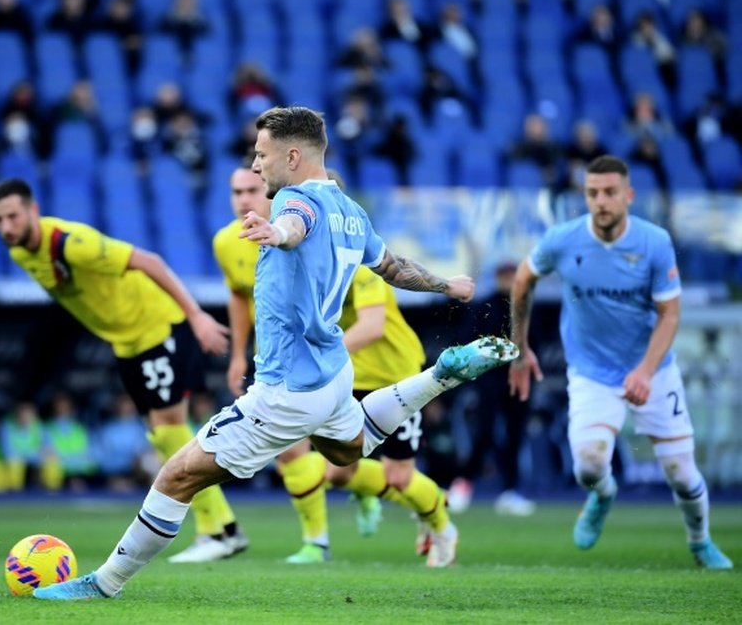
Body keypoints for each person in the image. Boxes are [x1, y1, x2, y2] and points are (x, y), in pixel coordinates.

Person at [33, 106, 517, 601]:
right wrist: (446, 284)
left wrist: (278, 233)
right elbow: (393, 266)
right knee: (347, 449)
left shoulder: (294, 200)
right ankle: (438, 375)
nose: (256, 164)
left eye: (262, 154)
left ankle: (105, 583)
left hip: (287, 387)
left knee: (178, 475)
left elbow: (296, 223)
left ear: (292, 154)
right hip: (333, 374)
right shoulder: (352, 211)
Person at [212, 162, 459, 566]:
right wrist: (243, 352)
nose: (243, 200)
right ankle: (319, 541)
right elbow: (243, 296)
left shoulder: (348, 245)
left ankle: (440, 521)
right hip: (335, 371)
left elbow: (374, 325)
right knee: (334, 468)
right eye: (235, 192)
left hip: (388, 368)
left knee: (395, 476)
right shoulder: (234, 242)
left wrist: (317, 349)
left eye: (250, 190)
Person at [0, 178, 247, 560]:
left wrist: (196, 317)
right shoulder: (20, 254)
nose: (6, 227)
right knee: (162, 435)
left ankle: (222, 530)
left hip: (159, 325)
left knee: (169, 427)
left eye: (12, 216)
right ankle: (218, 529)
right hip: (128, 342)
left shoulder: (71, 243)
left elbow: (150, 262)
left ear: (32, 210)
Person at [508, 155, 733, 570]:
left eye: (610, 193)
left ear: (628, 195)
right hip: (591, 370)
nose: (601, 202)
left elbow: (670, 314)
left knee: (682, 475)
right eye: (592, 193)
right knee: (588, 466)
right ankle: (603, 494)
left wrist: (646, 371)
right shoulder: (564, 239)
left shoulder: (654, 243)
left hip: (652, 368)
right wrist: (520, 347)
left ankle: (701, 543)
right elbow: (523, 279)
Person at [447, 263, 537, 517]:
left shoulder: (525, 307)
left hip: (519, 380)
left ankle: (511, 491)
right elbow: (469, 341)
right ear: (497, 277)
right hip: (489, 379)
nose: (508, 281)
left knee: (515, 435)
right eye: (504, 276)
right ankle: (463, 484)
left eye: (512, 276)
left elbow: (534, 344)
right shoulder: (483, 305)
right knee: (484, 432)